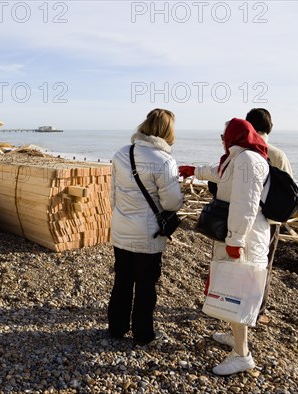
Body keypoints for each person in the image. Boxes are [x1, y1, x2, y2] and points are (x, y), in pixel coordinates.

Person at [179, 118, 270, 375]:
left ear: (232, 136)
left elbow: (246, 204)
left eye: (224, 135)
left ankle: (242, 355)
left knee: (236, 292)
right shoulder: (239, 157)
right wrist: (194, 170)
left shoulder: (247, 161)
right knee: (232, 291)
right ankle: (236, 339)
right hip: (240, 237)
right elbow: (219, 173)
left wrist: (235, 241)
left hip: (245, 240)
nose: (222, 140)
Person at [108, 108, 183, 346]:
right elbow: (171, 202)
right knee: (146, 285)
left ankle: (117, 327)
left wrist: (123, 214)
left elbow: (113, 195)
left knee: (122, 280)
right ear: (167, 131)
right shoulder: (164, 161)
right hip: (148, 234)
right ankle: (143, 334)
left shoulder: (122, 154)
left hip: (121, 227)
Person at [245, 108, 294, 318]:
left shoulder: (241, 151)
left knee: (240, 263)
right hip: (270, 218)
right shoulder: (277, 155)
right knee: (264, 264)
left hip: (243, 214)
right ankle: (257, 309)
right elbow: (289, 192)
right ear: (270, 127)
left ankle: (232, 304)